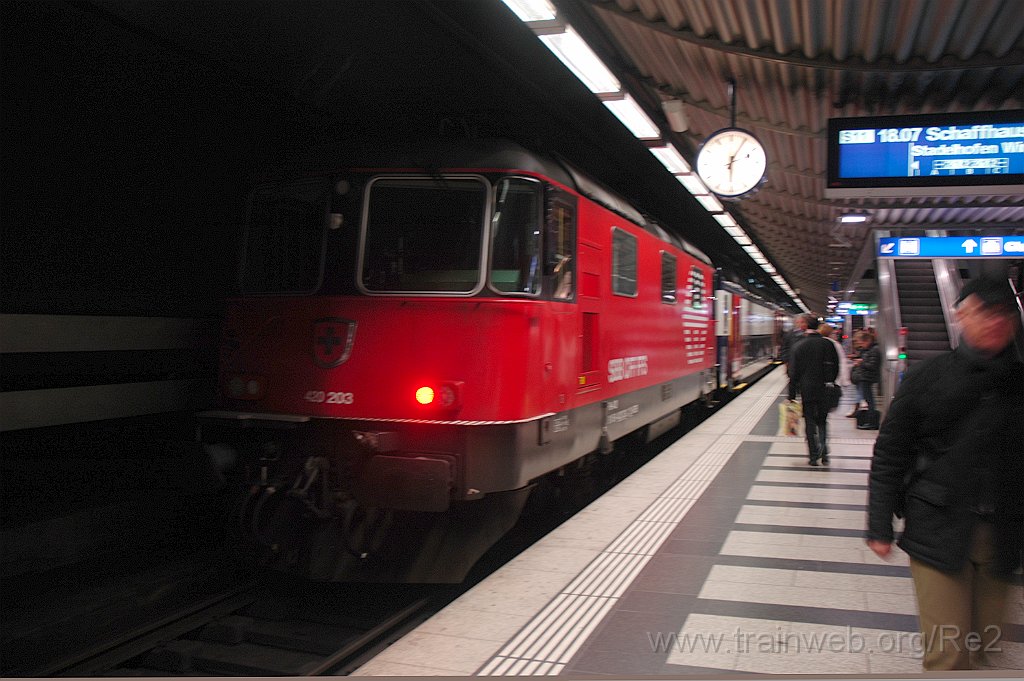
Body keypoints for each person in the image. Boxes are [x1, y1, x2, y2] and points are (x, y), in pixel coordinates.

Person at [866, 276, 1024, 671]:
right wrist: (879, 525)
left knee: (987, 646)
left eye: (1005, 314)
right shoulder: (928, 377)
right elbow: (891, 452)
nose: (996, 322)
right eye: (985, 312)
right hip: (938, 528)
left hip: (1004, 533)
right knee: (949, 654)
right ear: (961, 316)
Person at [787, 314, 839, 466]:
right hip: (825, 389)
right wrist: (831, 381)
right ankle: (824, 452)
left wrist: (792, 394)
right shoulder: (828, 344)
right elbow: (836, 367)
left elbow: (793, 373)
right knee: (822, 420)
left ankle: (813, 455)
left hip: (807, 389)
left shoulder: (798, 346)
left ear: (805, 326)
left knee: (809, 422)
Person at [848, 330, 881, 418]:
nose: (860, 346)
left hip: (867, 377)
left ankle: (872, 416)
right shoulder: (868, 350)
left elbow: (872, 365)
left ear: (867, 341)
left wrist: (861, 363)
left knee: (869, 398)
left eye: (861, 343)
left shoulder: (874, 350)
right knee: (867, 397)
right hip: (864, 376)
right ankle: (870, 415)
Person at [819, 323, 852, 389]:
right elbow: (842, 361)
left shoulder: (817, 343)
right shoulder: (835, 344)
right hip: (834, 379)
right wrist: (845, 380)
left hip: (818, 378)